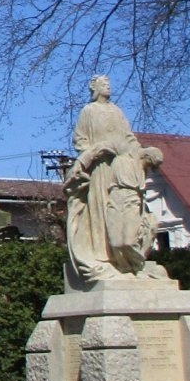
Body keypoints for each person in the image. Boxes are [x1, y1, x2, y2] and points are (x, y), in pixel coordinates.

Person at [63, 74, 166, 287]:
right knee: (100, 211)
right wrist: (93, 152)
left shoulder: (116, 111)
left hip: (121, 166)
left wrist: (140, 153)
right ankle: (103, 256)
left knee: (125, 215)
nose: (108, 87)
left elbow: (129, 138)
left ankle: (125, 260)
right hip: (100, 169)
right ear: (95, 88)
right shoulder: (88, 111)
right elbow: (80, 140)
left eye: (109, 84)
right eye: (104, 84)